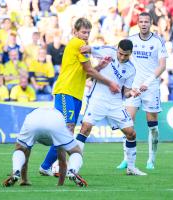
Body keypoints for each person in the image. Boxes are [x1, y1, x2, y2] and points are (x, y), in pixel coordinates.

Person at [39, 17, 120, 176]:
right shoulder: (77, 43)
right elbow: (89, 71)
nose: (85, 35)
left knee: (67, 132)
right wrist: (110, 83)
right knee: (66, 128)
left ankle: (46, 166)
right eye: (83, 32)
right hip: (65, 91)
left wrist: (101, 66)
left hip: (76, 94)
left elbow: (85, 73)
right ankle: (60, 166)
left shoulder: (81, 47)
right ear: (75, 32)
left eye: (88, 32)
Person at [76, 39, 146, 176]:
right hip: (98, 98)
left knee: (131, 133)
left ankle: (131, 167)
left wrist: (132, 93)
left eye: (126, 55)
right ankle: (74, 167)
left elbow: (125, 92)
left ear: (131, 53)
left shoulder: (131, 69)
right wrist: (96, 63)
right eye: (120, 53)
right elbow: (85, 49)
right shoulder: (107, 51)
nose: (122, 57)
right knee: (85, 128)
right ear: (117, 49)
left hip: (115, 103)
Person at [117, 12, 167, 170]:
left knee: (152, 126)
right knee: (127, 122)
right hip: (133, 87)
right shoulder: (131, 40)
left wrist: (148, 82)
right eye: (141, 22)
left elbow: (162, 65)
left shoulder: (158, 41)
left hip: (150, 87)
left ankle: (151, 159)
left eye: (146, 21)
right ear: (137, 23)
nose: (144, 24)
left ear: (151, 23)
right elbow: (122, 59)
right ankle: (126, 158)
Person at [2, 108, 87, 187]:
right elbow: (62, 161)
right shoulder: (58, 118)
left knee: (20, 149)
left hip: (32, 120)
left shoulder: (34, 113)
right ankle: (72, 170)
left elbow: (26, 157)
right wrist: (60, 184)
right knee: (75, 151)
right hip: (55, 122)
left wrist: (24, 180)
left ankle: (16, 171)